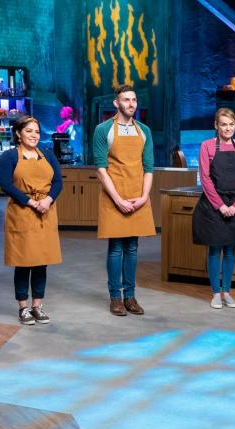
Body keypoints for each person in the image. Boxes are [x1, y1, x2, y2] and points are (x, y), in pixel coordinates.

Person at [93, 84, 155, 316]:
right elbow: (101, 168)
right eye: (126, 100)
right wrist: (118, 199)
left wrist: (144, 197)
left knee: (132, 248)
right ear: (116, 103)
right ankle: (116, 298)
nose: (131, 104)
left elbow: (149, 167)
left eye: (134, 100)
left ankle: (131, 296)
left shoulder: (144, 131)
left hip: (138, 195)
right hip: (114, 196)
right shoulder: (103, 130)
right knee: (116, 248)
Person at [0, 115, 63, 325]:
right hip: (23, 212)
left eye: (36, 131)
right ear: (18, 133)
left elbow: (58, 181)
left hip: (46, 211)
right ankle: (23, 308)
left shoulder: (47, 154)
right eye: (29, 131)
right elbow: (6, 184)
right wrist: (32, 202)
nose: (34, 135)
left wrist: (49, 200)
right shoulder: (9, 157)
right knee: (24, 262)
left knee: (41, 261)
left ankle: (38, 305)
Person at [192, 108, 235, 309]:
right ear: (216, 126)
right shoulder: (206, 146)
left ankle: (227, 292)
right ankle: (216, 293)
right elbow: (205, 179)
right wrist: (221, 206)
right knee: (215, 249)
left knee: (231, 250)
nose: (228, 128)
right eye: (223, 124)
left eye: (231, 124)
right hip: (213, 205)